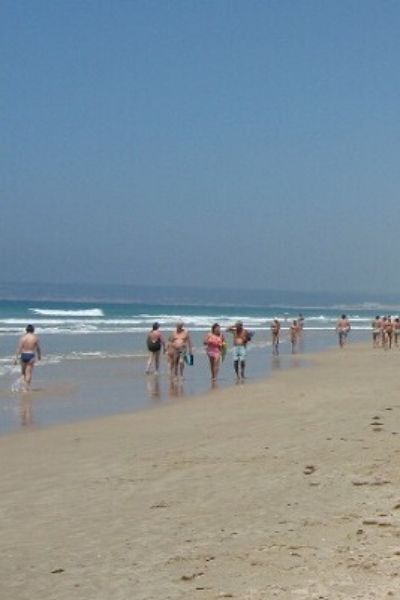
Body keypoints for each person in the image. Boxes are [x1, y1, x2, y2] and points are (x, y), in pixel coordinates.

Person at [14, 324, 42, 391]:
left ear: (26, 330)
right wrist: (39, 356)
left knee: (23, 373)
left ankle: (23, 388)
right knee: (28, 373)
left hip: (23, 355)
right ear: (33, 330)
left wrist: (15, 358)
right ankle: (26, 388)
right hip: (31, 355)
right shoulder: (35, 338)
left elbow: (19, 348)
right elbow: (38, 348)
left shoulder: (22, 338)